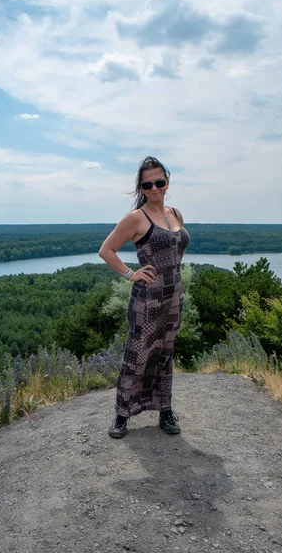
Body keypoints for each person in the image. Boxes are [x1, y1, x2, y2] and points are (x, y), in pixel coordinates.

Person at [99, 156, 190, 438]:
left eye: (159, 182)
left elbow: (176, 253)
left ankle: (165, 411)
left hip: (173, 297)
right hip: (147, 300)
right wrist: (131, 274)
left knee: (165, 353)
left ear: (167, 182)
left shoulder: (175, 213)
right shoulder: (136, 218)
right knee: (137, 355)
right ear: (141, 187)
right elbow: (106, 250)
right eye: (147, 184)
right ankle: (121, 415)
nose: (154, 188)